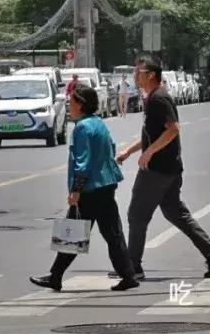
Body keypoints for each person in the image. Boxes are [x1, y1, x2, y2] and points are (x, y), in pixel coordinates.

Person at [116, 58, 210, 279]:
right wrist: (130, 151)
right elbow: (152, 136)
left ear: (150, 75)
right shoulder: (152, 98)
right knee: (175, 212)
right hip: (168, 168)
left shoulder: (159, 98)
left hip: (158, 170)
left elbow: (173, 130)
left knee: (137, 215)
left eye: (139, 72)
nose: (135, 75)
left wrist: (149, 153)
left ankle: (133, 266)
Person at [30, 84, 141, 292]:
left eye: (71, 103)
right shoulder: (99, 123)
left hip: (90, 188)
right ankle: (128, 275)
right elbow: (110, 149)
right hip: (107, 184)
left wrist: (76, 190)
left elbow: (83, 162)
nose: (69, 107)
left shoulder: (82, 128)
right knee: (112, 233)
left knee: (73, 233)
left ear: (80, 104)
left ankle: (55, 276)